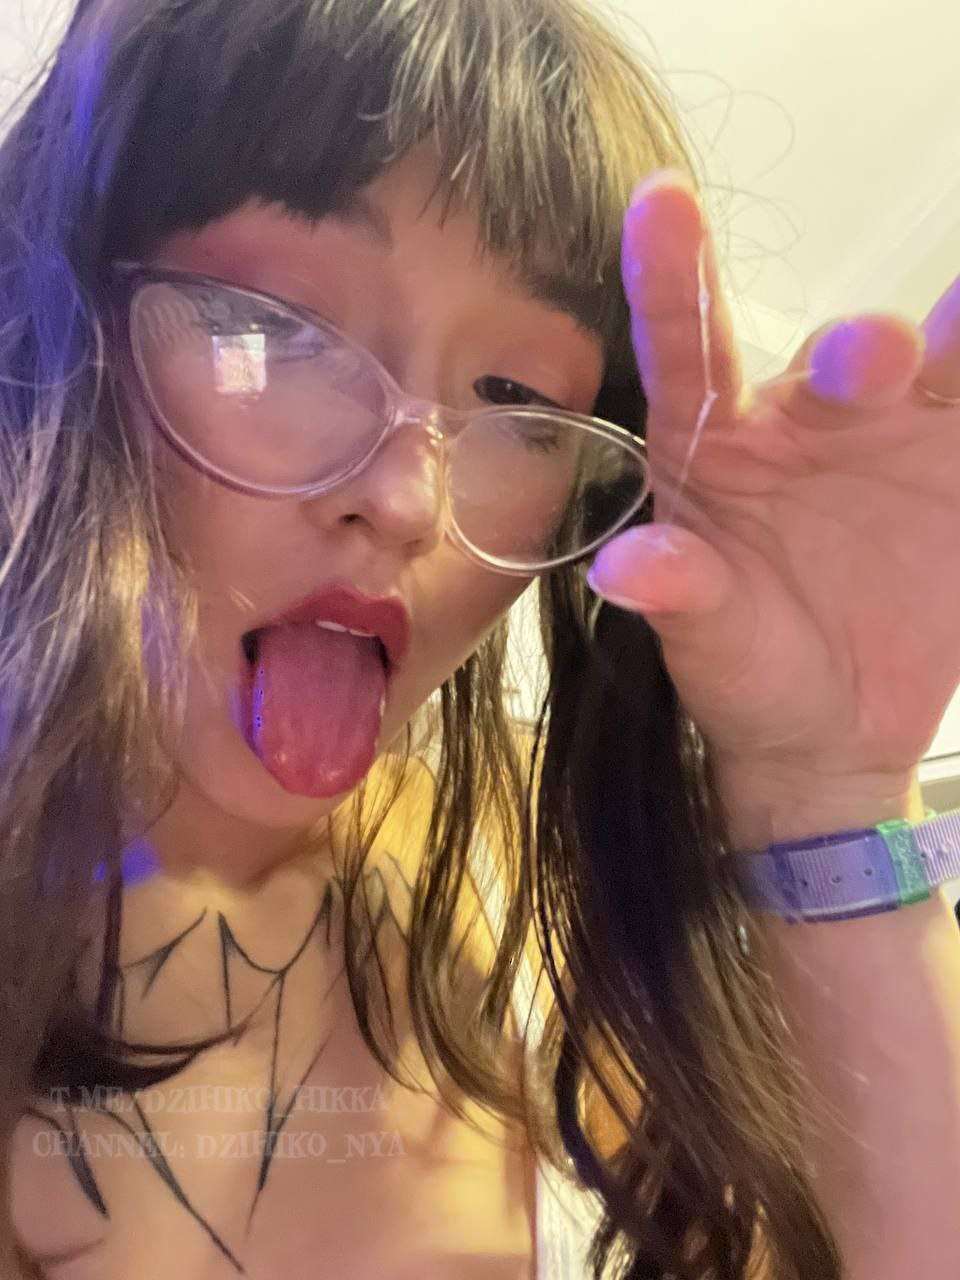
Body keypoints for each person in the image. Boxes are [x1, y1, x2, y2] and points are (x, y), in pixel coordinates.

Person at [1, 0, 959, 1276]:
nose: (406, 498)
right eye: (272, 323)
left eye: (517, 398)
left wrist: (826, 790)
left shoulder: (553, 917)